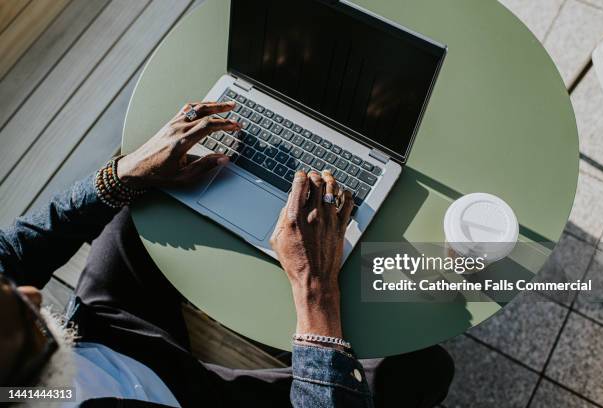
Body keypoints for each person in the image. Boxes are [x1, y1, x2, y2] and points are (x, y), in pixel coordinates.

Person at [0, 101, 454, 407]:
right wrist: (315, 294)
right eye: (25, 322)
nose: (33, 295)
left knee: (154, 193)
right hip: (185, 398)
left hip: (101, 337)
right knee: (421, 370)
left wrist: (124, 175)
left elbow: (14, 251)